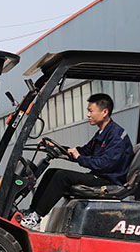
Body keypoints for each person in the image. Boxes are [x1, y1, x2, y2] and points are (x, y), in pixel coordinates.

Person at [20, 93, 133, 231]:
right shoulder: (102, 133)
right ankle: (32, 212)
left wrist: (79, 158)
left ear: (104, 112)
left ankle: (36, 218)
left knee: (61, 177)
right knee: (51, 172)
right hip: (100, 175)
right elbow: (84, 151)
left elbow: (105, 164)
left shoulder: (115, 135)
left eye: (91, 111)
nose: (88, 115)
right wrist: (57, 148)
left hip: (109, 180)